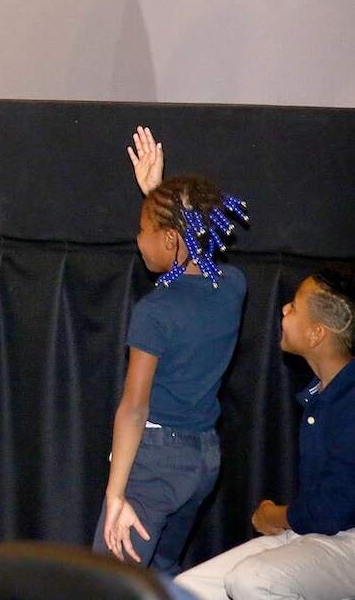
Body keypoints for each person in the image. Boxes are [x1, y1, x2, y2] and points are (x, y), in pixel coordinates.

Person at [94, 127, 249, 575]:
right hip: (202, 461)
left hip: (155, 465)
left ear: (167, 240)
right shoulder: (233, 287)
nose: (137, 239)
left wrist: (116, 495)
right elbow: (196, 255)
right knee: (159, 575)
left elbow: (134, 407)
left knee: (110, 583)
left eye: (143, 229)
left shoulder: (154, 311)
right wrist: (155, 196)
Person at [174, 270, 355, 599]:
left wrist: (276, 514)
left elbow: (333, 510)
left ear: (317, 334)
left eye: (295, 307)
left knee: (253, 580)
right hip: (317, 534)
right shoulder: (324, 395)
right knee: (185, 590)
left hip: (346, 541)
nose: (284, 309)